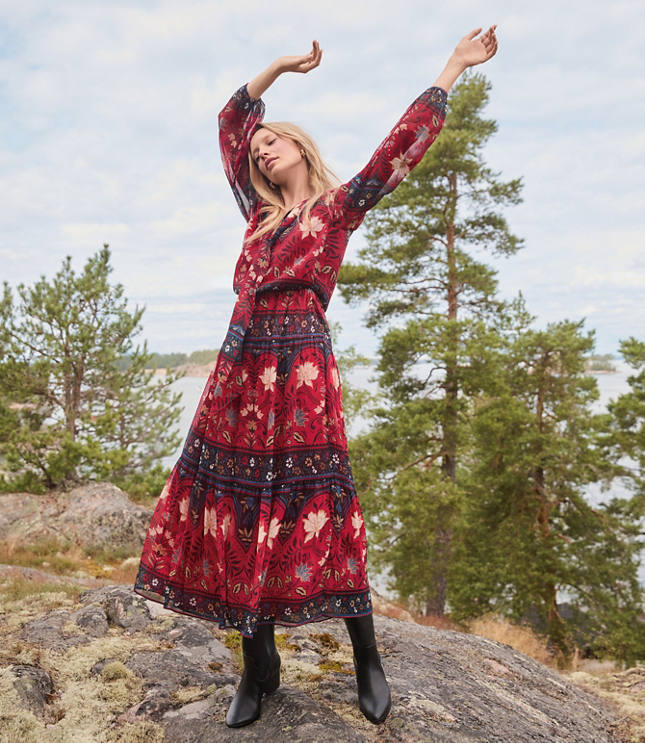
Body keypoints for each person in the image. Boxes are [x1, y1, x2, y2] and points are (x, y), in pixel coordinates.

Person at [133, 26, 498, 729]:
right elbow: (230, 120)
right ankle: (256, 663)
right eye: (259, 149)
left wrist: (452, 66)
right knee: (236, 500)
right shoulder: (256, 214)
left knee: (318, 496)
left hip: (300, 362)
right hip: (241, 364)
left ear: (299, 148)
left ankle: (366, 655)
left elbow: (399, 152)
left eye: (275, 141)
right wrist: (276, 67)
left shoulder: (335, 211)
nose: (262, 149)